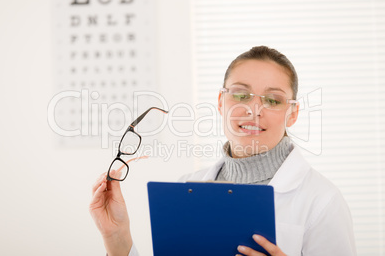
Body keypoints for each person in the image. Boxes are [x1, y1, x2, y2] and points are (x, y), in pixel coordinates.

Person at [90, 46, 357, 256]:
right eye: (241, 95)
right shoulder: (187, 186)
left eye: (273, 100)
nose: (254, 109)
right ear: (221, 102)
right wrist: (117, 238)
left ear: (293, 113)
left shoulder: (322, 201)